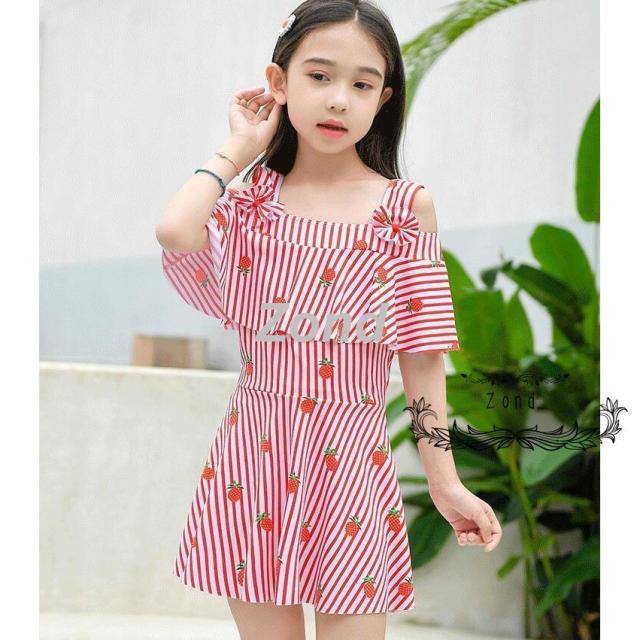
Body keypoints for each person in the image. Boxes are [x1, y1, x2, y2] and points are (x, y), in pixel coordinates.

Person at [156, 1, 502, 638]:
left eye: (362, 85)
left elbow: (422, 354)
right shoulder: (253, 204)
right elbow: (176, 231)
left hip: (352, 466)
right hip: (253, 461)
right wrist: (239, 148)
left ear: (383, 99)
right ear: (279, 82)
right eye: (319, 76)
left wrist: (445, 482)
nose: (339, 99)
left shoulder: (403, 211)